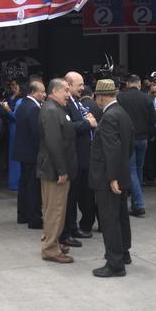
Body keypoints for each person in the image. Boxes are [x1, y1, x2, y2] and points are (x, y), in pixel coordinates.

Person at [89, 79, 134, 277]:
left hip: (109, 178)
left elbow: (111, 148)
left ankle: (115, 263)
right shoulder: (122, 114)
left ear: (99, 96)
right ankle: (123, 253)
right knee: (121, 216)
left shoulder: (108, 117)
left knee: (109, 219)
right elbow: (129, 145)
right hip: (121, 174)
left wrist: (112, 177)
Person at [37, 78, 77, 264]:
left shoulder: (55, 108)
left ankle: (50, 241)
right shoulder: (52, 110)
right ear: (55, 91)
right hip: (55, 170)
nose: (69, 94)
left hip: (54, 168)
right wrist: (62, 170)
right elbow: (54, 143)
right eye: (66, 91)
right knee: (55, 209)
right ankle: (51, 249)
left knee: (52, 208)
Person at [61, 71, 97, 247]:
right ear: (68, 85)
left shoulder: (76, 102)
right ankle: (67, 232)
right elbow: (68, 127)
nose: (82, 88)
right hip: (74, 158)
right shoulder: (65, 103)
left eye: (83, 84)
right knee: (70, 198)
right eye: (79, 85)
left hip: (83, 158)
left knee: (77, 195)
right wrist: (87, 123)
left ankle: (73, 228)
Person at [117, 74, 151, 216]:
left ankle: (138, 203)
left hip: (127, 137)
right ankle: (137, 197)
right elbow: (153, 118)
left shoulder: (121, 98)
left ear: (127, 84)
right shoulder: (147, 98)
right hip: (143, 138)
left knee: (131, 169)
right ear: (139, 84)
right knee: (138, 168)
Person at [13, 80, 45, 229]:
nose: (44, 95)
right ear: (33, 92)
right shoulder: (33, 108)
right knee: (33, 187)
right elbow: (37, 133)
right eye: (42, 92)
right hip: (32, 153)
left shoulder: (22, 105)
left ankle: (23, 215)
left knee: (24, 185)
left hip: (22, 151)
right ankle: (34, 219)